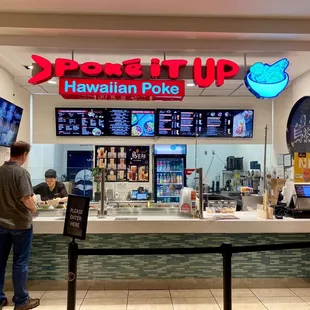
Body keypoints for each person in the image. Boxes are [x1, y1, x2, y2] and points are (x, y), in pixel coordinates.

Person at [0, 141, 40, 310]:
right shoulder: (21, 173)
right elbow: (27, 199)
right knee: (20, 263)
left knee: (0, 262)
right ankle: (21, 301)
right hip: (21, 226)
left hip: (1, 224)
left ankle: (0, 299)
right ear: (24, 155)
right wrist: (35, 208)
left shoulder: (0, 171)